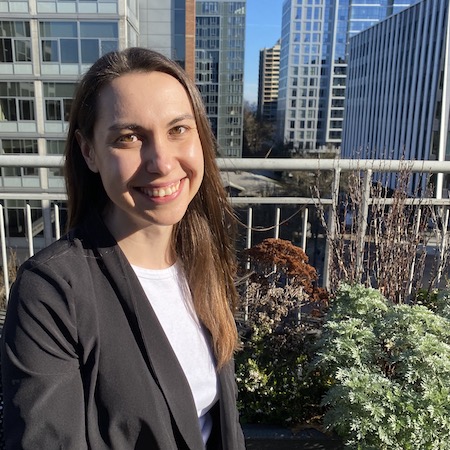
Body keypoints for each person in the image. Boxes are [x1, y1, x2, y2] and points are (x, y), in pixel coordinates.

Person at [1, 47, 246, 450]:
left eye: (178, 129)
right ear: (89, 151)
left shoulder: (202, 257)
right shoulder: (52, 292)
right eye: (129, 137)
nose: (162, 162)